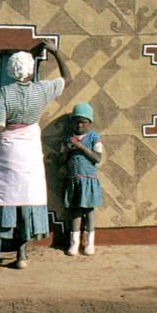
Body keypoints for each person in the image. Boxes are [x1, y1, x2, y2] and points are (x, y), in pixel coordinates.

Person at [0, 39, 71, 270]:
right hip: (29, 148)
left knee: (3, 197)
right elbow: (67, 79)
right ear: (31, 69)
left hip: (8, 149)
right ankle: (21, 256)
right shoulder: (42, 89)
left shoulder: (4, 92)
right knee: (27, 198)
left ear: (10, 71)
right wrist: (54, 51)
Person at [61, 102, 103, 256]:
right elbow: (62, 160)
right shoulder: (67, 139)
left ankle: (89, 242)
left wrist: (83, 148)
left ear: (89, 122)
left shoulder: (94, 137)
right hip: (74, 181)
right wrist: (68, 151)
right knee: (75, 211)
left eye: (83, 122)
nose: (79, 125)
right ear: (72, 122)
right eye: (76, 121)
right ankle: (74, 242)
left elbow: (97, 158)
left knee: (90, 211)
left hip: (89, 180)